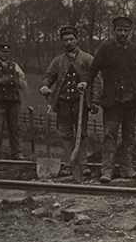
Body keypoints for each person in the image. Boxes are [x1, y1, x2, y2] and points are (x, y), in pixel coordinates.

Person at [77, 16, 136, 183]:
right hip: (112, 102)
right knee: (109, 136)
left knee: (129, 136)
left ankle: (127, 169)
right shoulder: (105, 50)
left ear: (130, 32)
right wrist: (84, 81)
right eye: (119, 30)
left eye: (125, 30)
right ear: (114, 31)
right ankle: (107, 170)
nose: (122, 33)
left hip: (132, 102)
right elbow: (92, 69)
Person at [39, 26, 102, 179]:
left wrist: (95, 101)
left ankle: (83, 164)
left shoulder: (87, 59)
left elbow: (97, 81)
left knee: (82, 132)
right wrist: (45, 86)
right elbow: (48, 76)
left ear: (77, 39)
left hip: (81, 103)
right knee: (66, 134)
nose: (68, 42)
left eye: (71, 39)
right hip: (63, 103)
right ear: (62, 42)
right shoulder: (58, 61)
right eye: (65, 40)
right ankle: (68, 164)